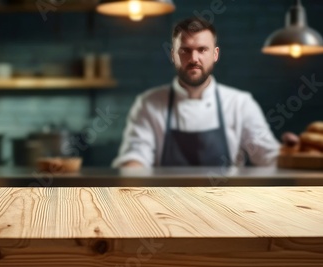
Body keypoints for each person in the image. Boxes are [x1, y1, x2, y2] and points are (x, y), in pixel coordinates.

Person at [112, 17, 294, 169]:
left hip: (228, 206)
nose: (194, 59)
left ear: (215, 54)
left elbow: (268, 156)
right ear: (172, 55)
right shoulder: (148, 103)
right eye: (185, 50)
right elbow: (135, 156)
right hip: (167, 205)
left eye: (202, 50)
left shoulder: (240, 103)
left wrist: (295, 152)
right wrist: (130, 176)